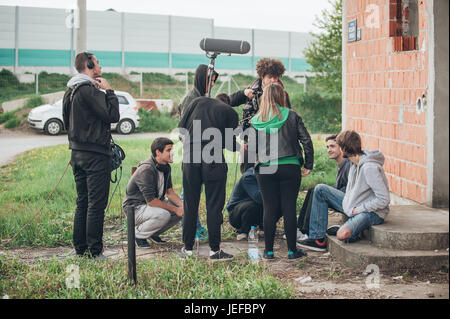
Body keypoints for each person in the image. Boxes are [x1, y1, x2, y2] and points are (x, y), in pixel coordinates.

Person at [62, 52, 120, 259]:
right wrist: (109, 90)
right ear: (89, 65)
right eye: (97, 63)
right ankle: (95, 252)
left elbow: (66, 121)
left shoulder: (70, 90)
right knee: (96, 205)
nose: (100, 67)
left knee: (83, 202)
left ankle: (81, 249)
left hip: (77, 154)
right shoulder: (88, 90)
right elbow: (112, 115)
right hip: (95, 156)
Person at [249, 83, 314, 260]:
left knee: (269, 208)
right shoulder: (292, 116)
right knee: (289, 208)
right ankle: (292, 251)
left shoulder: (255, 121)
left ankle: (269, 252)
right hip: (290, 166)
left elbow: (252, 147)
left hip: (265, 168)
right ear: (281, 97)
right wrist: (308, 164)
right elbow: (306, 141)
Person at [297, 130, 390, 252]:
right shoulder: (353, 164)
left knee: (341, 235)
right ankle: (317, 239)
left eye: (338, 146)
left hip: (372, 212)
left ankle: (347, 229)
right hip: (355, 205)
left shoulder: (369, 168)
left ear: (344, 148)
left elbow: (384, 199)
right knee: (320, 189)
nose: (337, 150)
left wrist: (359, 209)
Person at [178, 88, 241, 261]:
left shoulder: (196, 102)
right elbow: (229, 143)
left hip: (190, 156)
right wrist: (241, 147)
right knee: (214, 205)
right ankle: (215, 251)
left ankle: (188, 249)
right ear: (227, 103)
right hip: (213, 160)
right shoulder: (230, 113)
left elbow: (181, 129)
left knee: (190, 203)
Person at [178, 64, 217, 240]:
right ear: (202, 79)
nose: (213, 85)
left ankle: (194, 225)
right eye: (211, 81)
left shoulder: (201, 97)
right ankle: (191, 227)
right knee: (189, 192)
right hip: (192, 151)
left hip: (202, 151)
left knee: (194, 191)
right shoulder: (192, 98)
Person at [122, 138, 183, 247]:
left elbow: (170, 192)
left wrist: (184, 207)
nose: (172, 153)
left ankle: (152, 233)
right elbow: (151, 202)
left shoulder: (166, 168)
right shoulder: (147, 169)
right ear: (158, 152)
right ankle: (138, 235)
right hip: (135, 208)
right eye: (169, 150)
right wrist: (176, 209)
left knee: (181, 210)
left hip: (150, 206)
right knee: (164, 214)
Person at [296, 135, 351, 239]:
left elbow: (350, 190)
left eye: (332, 146)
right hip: (343, 198)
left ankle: (308, 233)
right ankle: (301, 228)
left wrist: (331, 193)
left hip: (350, 203)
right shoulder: (341, 165)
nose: (329, 150)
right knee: (313, 189)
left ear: (341, 147)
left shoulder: (348, 165)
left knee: (320, 189)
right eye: (327, 147)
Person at [229, 58, 291, 132]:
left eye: (275, 77)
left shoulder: (283, 94)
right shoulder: (251, 91)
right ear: (262, 76)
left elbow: (287, 117)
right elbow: (229, 101)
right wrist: (244, 93)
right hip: (251, 136)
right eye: (270, 77)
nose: (273, 80)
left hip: (274, 135)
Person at [226, 148, 263, 241]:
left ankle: (263, 227)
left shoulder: (259, 173)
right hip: (235, 215)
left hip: (246, 208)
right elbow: (259, 198)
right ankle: (243, 231)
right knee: (257, 203)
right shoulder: (249, 176)